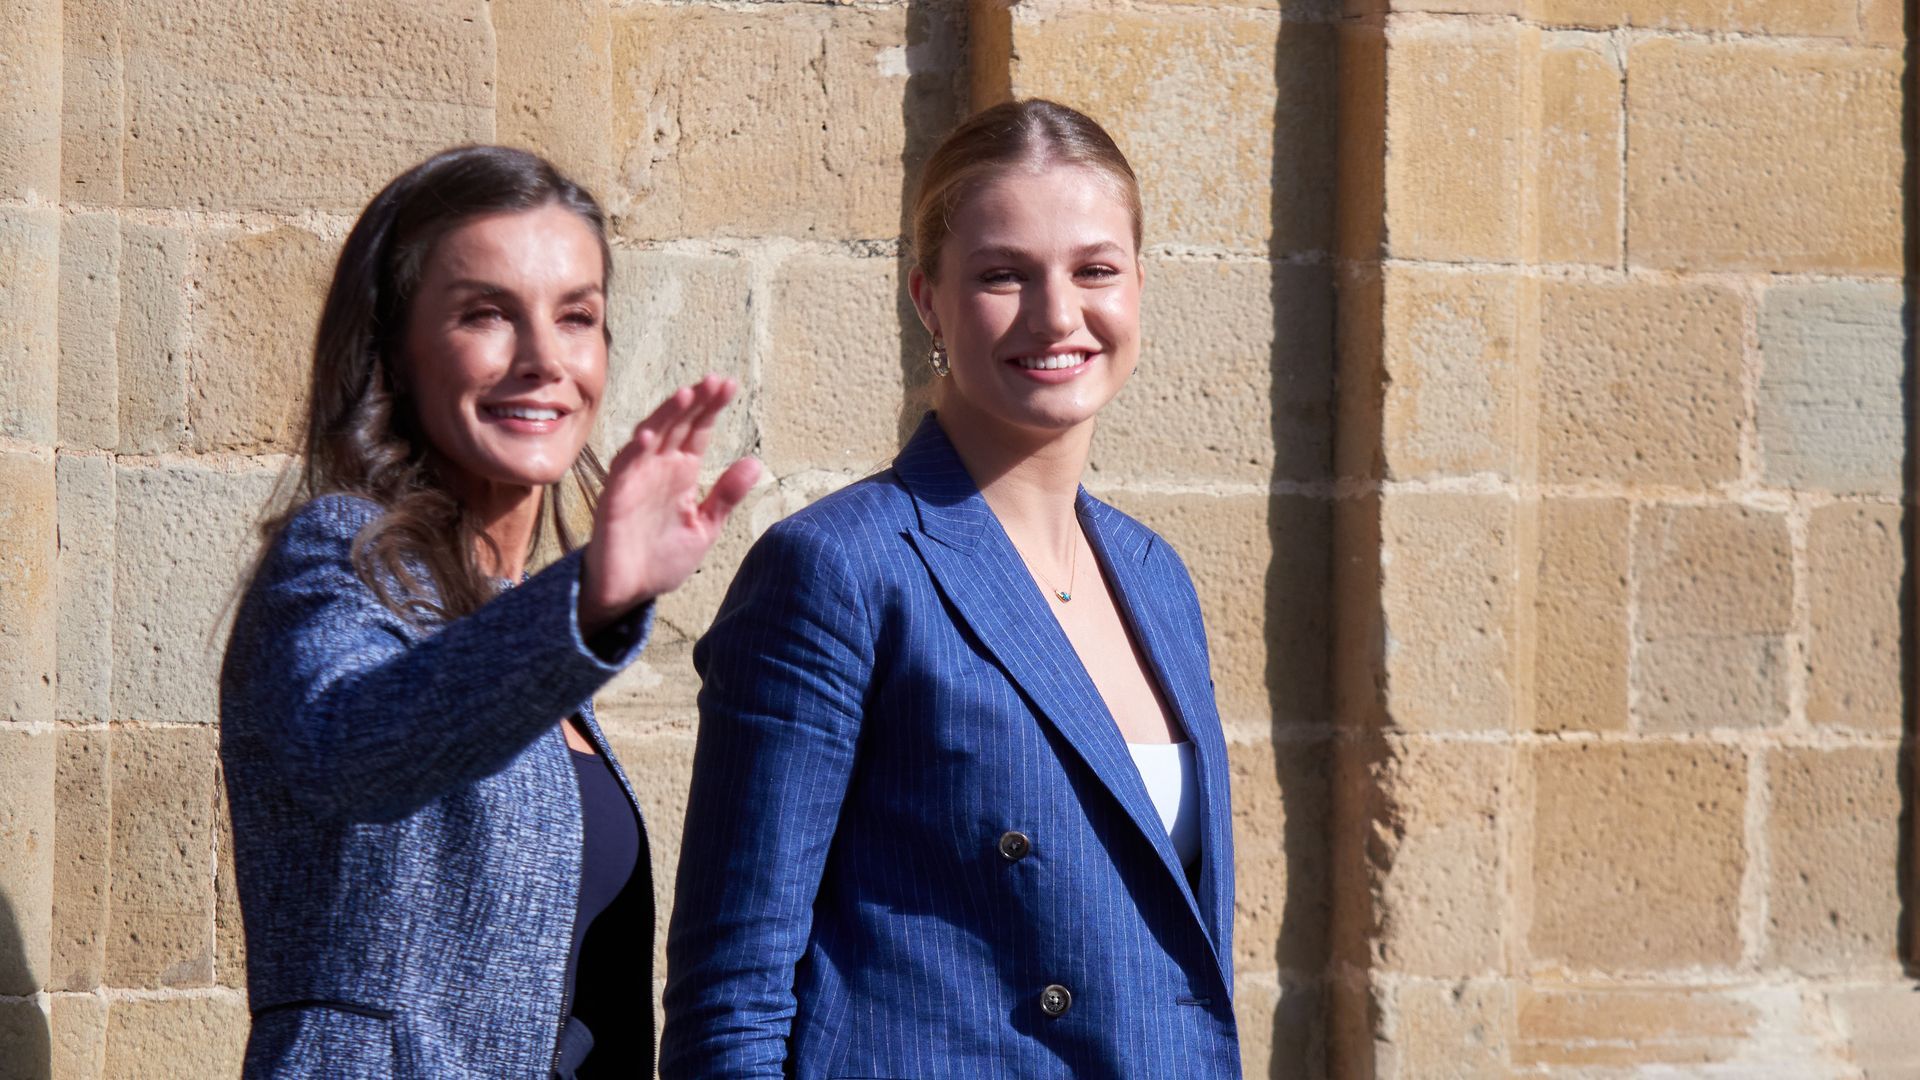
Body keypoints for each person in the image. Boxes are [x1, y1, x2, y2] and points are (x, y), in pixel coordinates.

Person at [661, 99, 1240, 1077]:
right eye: (1003, 275)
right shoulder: (839, 568)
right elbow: (732, 989)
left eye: (1095, 269)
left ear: (1139, 284)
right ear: (928, 298)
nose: (1059, 315)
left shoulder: (1156, 578)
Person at [219, 145, 758, 1078]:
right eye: (486, 314)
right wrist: (586, 604)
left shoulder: (515, 608)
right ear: (396, 348)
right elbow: (357, 746)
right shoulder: (340, 560)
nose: (544, 359)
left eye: (576, 317)